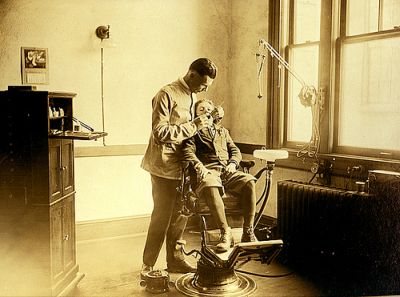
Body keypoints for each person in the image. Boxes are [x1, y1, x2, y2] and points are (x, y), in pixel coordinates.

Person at [140, 58, 218, 277]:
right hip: (163, 167)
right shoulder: (166, 94)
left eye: (206, 87)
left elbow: (192, 136)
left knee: (180, 216)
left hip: (183, 167)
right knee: (162, 217)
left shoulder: (193, 95)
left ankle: (174, 261)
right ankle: (148, 265)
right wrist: (194, 125)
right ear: (191, 74)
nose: (203, 90)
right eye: (202, 85)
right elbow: (161, 133)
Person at [181, 99, 258, 253]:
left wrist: (232, 164)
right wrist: (199, 166)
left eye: (208, 109)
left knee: (249, 181)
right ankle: (225, 233)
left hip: (226, 171)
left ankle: (248, 232)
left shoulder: (223, 131)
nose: (205, 112)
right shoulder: (192, 132)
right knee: (210, 184)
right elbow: (188, 152)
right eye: (201, 109)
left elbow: (235, 151)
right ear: (195, 114)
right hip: (208, 171)